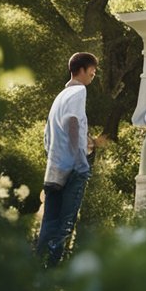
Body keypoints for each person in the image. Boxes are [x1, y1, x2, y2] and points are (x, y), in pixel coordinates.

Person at [36, 52, 100, 266]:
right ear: (81, 69)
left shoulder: (59, 97)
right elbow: (72, 122)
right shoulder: (79, 90)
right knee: (65, 225)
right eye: (92, 70)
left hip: (53, 170)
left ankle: (38, 270)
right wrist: (79, 159)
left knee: (49, 223)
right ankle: (52, 272)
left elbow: (47, 137)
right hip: (73, 170)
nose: (94, 74)